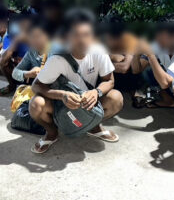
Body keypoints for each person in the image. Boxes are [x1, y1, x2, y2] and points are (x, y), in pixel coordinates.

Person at [29, 8, 123, 154]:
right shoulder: (57, 58)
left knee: (116, 98)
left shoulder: (99, 52)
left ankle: (94, 127)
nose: (82, 40)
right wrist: (62, 95)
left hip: (88, 101)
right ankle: (52, 133)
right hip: (60, 104)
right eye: (76, 35)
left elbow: (109, 80)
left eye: (86, 35)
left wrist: (96, 92)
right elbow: (36, 86)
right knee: (36, 104)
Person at [131, 14, 174, 108]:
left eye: (161, 35)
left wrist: (151, 55)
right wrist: (136, 54)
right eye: (157, 34)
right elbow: (136, 70)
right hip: (171, 85)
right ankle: (168, 100)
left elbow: (165, 83)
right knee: (148, 71)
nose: (157, 39)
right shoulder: (159, 43)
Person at [99, 14, 140, 92]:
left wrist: (104, 64)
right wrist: (111, 57)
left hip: (126, 86)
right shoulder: (100, 41)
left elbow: (124, 68)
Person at [0, 13, 32, 96]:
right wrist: (15, 42)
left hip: (35, 70)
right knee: (4, 63)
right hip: (20, 69)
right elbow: (2, 61)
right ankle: (12, 86)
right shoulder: (10, 36)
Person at [12, 17, 53, 84]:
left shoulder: (54, 51)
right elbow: (15, 72)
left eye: (38, 36)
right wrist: (29, 74)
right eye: (32, 36)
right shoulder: (32, 51)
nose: (34, 40)